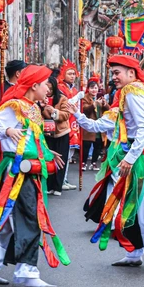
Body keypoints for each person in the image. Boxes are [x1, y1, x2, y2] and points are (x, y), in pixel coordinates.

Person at [75, 55, 144, 274]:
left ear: (131, 73)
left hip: (143, 158)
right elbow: (100, 124)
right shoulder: (126, 94)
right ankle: (135, 252)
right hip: (137, 156)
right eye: (112, 73)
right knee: (133, 207)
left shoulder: (132, 92)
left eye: (117, 73)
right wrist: (75, 113)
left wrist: (130, 157)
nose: (114, 78)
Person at [0, 65, 67, 287]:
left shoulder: (33, 107)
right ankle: (27, 270)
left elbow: (32, 139)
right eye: (46, 84)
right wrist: (6, 132)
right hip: (16, 173)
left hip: (29, 170)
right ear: (34, 85)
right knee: (29, 216)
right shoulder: (13, 107)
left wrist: (45, 152)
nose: (48, 89)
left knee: (6, 221)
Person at [42, 75, 73, 196]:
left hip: (61, 132)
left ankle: (58, 186)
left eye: (50, 88)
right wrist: (43, 108)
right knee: (49, 158)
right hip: (47, 132)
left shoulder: (62, 99)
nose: (48, 91)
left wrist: (54, 111)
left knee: (61, 159)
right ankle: (49, 185)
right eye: (46, 87)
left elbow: (66, 115)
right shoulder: (41, 98)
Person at [58, 59, 82, 191]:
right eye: (69, 74)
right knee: (64, 154)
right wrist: (77, 97)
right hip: (66, 121)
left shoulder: (74, 89)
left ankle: (64, 178)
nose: (72, 76)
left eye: (74, 74)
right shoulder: (61, 88)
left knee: (70, 153)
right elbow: (67, 104)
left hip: (74, 123)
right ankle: (61, 179)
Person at [82, 79, 106, 171]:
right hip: (89, 125)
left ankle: (94, 162)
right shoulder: (85, 98)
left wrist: (104, 104)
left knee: (98, 145)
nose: (94, 90)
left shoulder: (100, 97)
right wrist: (94, 104)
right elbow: (85, 110)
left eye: (95, 88)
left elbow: (107, 109)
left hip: (99, 125)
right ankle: (83, 162)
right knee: (86, 145)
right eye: (92, 88)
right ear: (88, 89)